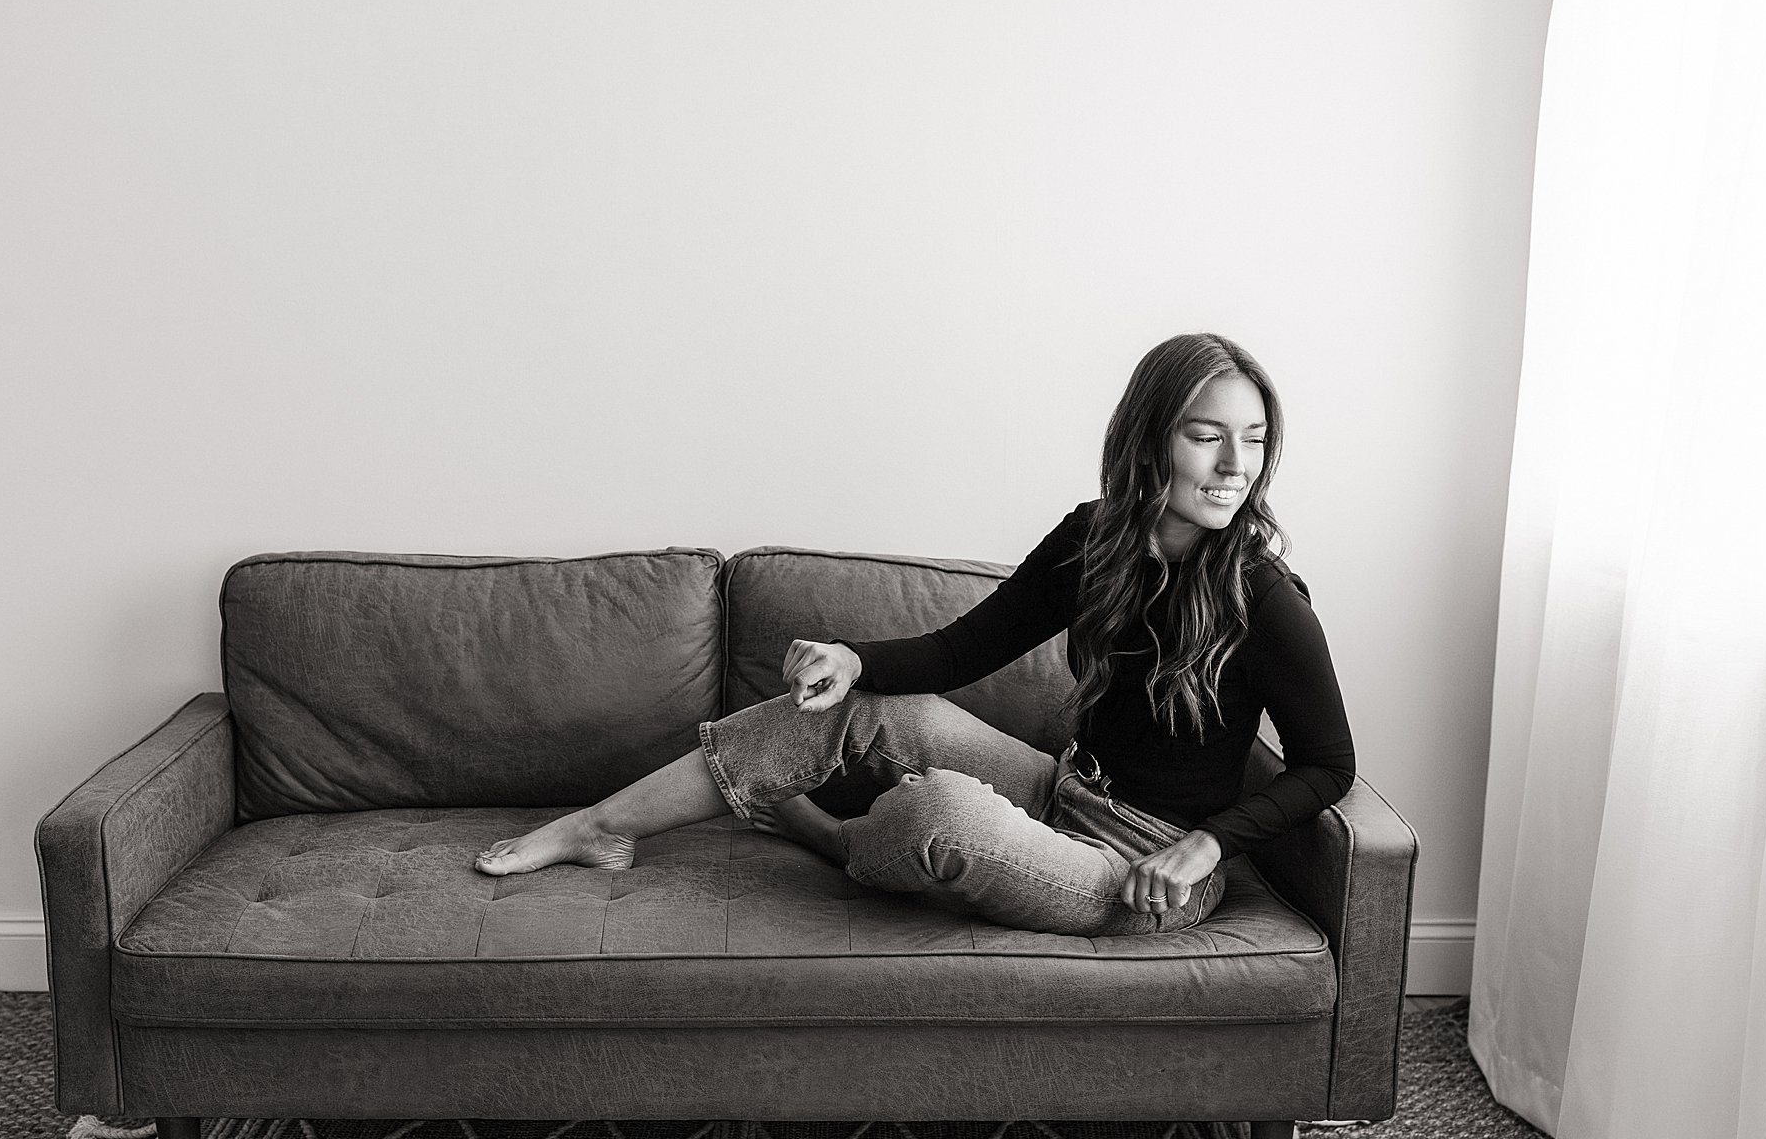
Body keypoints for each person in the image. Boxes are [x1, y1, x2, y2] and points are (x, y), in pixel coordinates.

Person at [475, 333, 1355, 937]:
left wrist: (1206, 845)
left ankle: (830, 838)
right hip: (1064, 792)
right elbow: (963, 650)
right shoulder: (1095, 540)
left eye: (1253, 441)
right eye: (1208, 437)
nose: (1235, 466)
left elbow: (1327, 764)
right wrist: (854, 659)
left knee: (943, 813)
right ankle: (600, 826)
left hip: (1147, 870)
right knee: (856, 705)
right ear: (1151, 440)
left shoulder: (1265, 597)